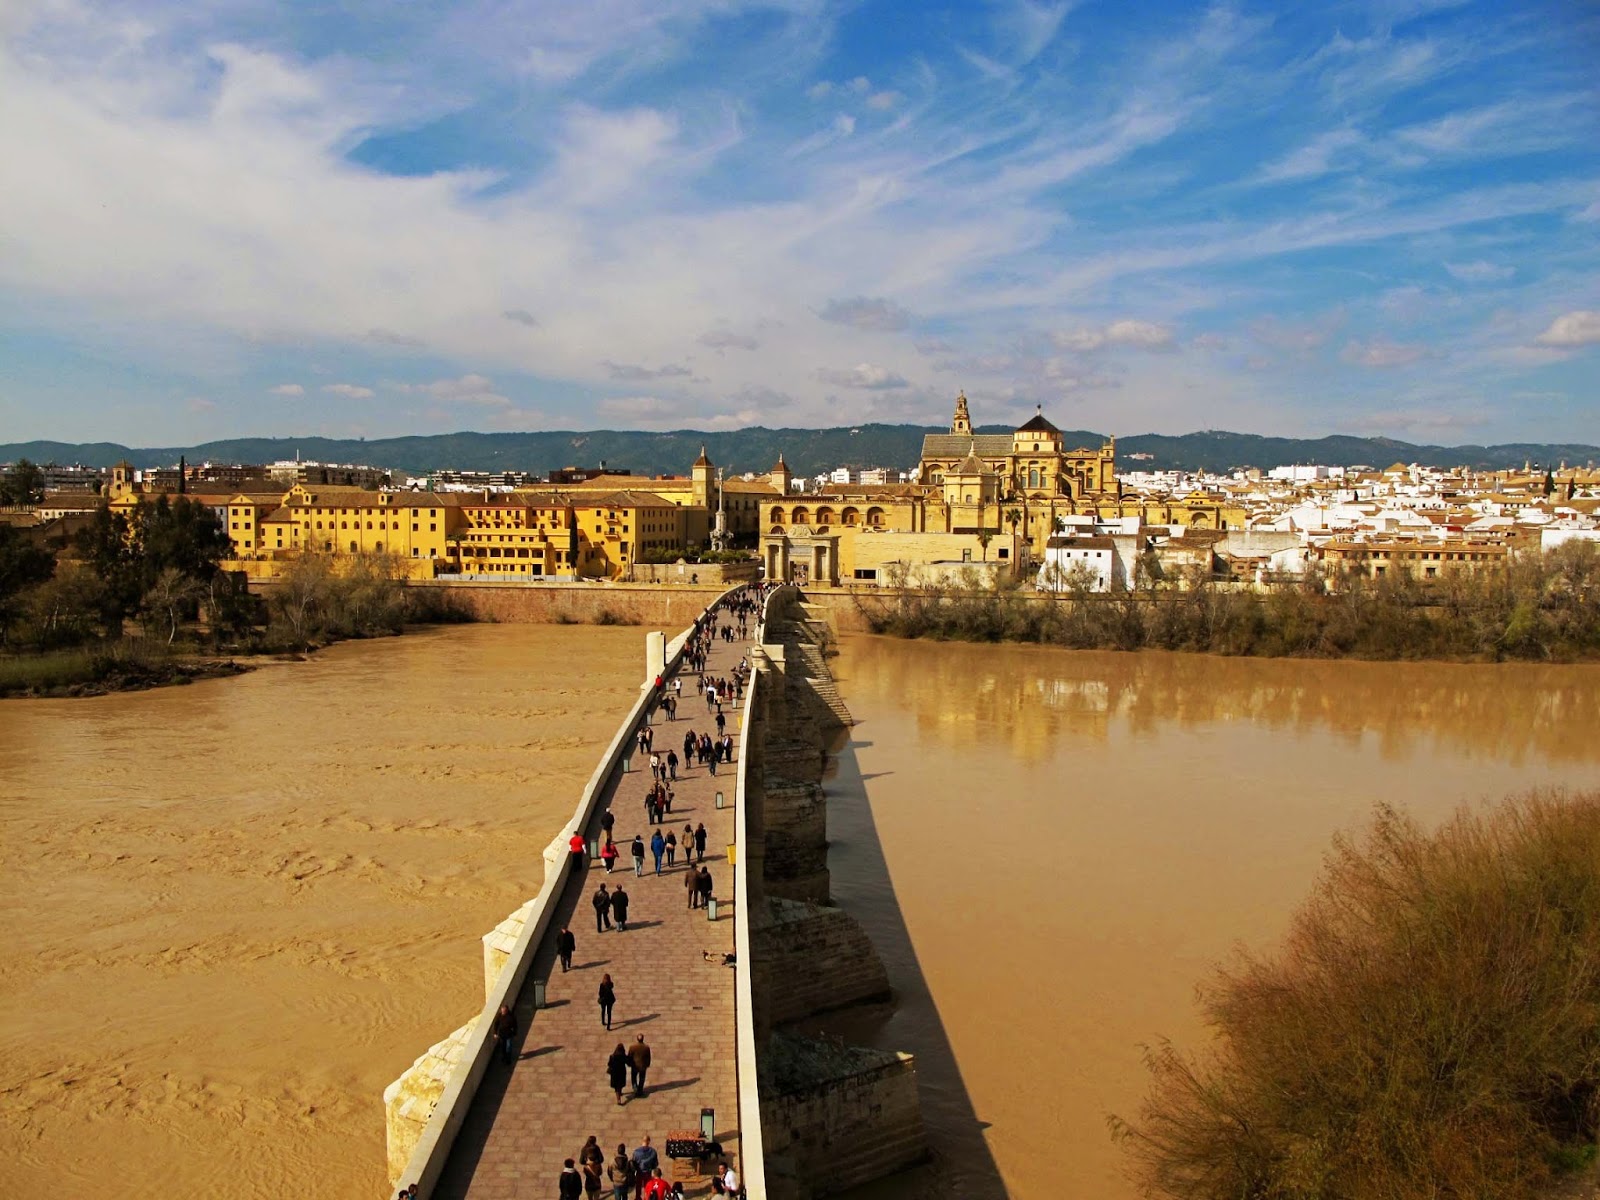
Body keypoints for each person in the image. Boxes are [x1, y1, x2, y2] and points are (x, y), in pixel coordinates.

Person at [607, 1042, 629, 1107]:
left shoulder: (612, 1056)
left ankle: (618, 1099)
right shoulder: (623, 1056)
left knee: (616, 1087)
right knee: (620, 1084)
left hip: (614, 1073)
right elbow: (627, 1062)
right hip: (621, 1072)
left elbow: (609, 1064)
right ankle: (620, 1093)